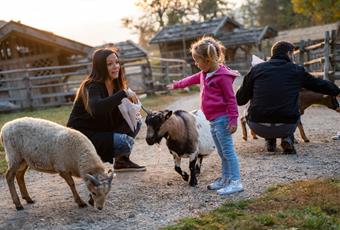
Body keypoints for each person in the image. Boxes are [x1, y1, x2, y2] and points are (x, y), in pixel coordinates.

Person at [167, 36, 243, 196]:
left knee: (228, 152)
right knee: (222, 153)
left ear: (208, 60)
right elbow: (190, 79)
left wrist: (233, 119)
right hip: (213, 121)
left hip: (223, 120)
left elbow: (231, 99)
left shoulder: (222, 76)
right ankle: (225, 178)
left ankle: (236, 181)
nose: (196, 64)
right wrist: (176, 84)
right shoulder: (204, 73)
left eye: (197, 60)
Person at [236, 41, 340, 154]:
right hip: (286, 126)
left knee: (262, 105)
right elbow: (319, 84)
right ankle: (287, 138)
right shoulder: (296, 70)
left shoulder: (256, 69)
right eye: (293, 55)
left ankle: (270, 140)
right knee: (288, 105)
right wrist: (337, 91)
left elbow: (240, 100)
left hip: (258, 126)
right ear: (289, 53)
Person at [67, 48, 146, 172]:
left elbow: (115, 116)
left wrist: (132, 109)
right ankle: (86, 161)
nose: (116, 67)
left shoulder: (114, 86)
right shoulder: (91, 86)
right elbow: (97, 108)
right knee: (124, 143)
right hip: (82, 136)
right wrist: (123, 94)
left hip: (99, 131)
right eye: (110, 64)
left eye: (117, 62)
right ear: (100, 67)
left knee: (136, 121)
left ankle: (121, 162)